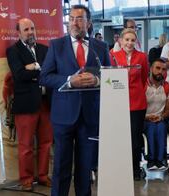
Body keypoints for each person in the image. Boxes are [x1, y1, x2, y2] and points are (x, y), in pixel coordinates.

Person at [40, 5, 110, 196]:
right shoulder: (57, 45)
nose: (74, 22)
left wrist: (96, 79)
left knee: (84, 167)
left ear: (88, 23)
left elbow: (111, 76)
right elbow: (44, 77)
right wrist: (69, 80)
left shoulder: (100, 47)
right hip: (63, 116)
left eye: (79, 18)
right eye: (71, 18)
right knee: (61, 166)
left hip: (89, 116)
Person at [6, 18, 52, 191]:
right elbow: (19, 75)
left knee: (46, 143)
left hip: (46, 103)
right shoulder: (13, 51)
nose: (30, 32)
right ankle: (26, 179)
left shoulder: (45, 49)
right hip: (25, 105)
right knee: (26, 145)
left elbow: (49, 72)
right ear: (18, 33)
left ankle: (42, 176)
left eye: (32, 28)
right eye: (26, 29)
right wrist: (35, 71)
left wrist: (33, 67)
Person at [110, 28, 149, 180]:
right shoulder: (112, 56)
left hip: (137, 103)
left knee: (135, 139)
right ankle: (119, 169)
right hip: (117, 102)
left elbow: (145, 76)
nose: (129, 43)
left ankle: (135, 170)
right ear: (120, 41)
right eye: (127, 40)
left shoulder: (142, 57)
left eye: (132, 40)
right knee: (119, 138)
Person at [145, 59, 169, 170]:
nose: (160, 71)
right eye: (157, 68)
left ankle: (160, 160)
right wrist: (147, 117)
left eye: (163, 69)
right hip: (144, 119)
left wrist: (160, 117)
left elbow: (168, 110)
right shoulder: (143, 85)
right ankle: (151, 160)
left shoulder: (168, 87)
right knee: (152, 127)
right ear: (151, 69)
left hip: (161, 119)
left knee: (161, 127)